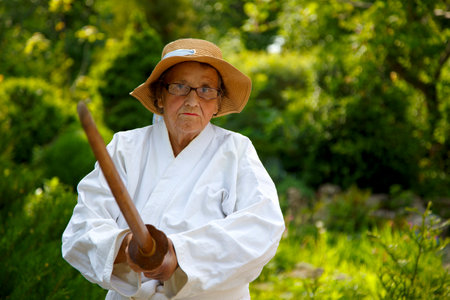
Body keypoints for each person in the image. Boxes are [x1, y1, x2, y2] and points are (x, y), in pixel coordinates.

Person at [62, 38, 285, 300]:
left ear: (217, 104)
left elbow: (262, 226)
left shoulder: (236, 150)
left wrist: (178, 254)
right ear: (160, 96)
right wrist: (124, 248)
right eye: (180, 87)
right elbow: (81, 227)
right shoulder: (125, 147)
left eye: (206, 89)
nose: (192, 101)